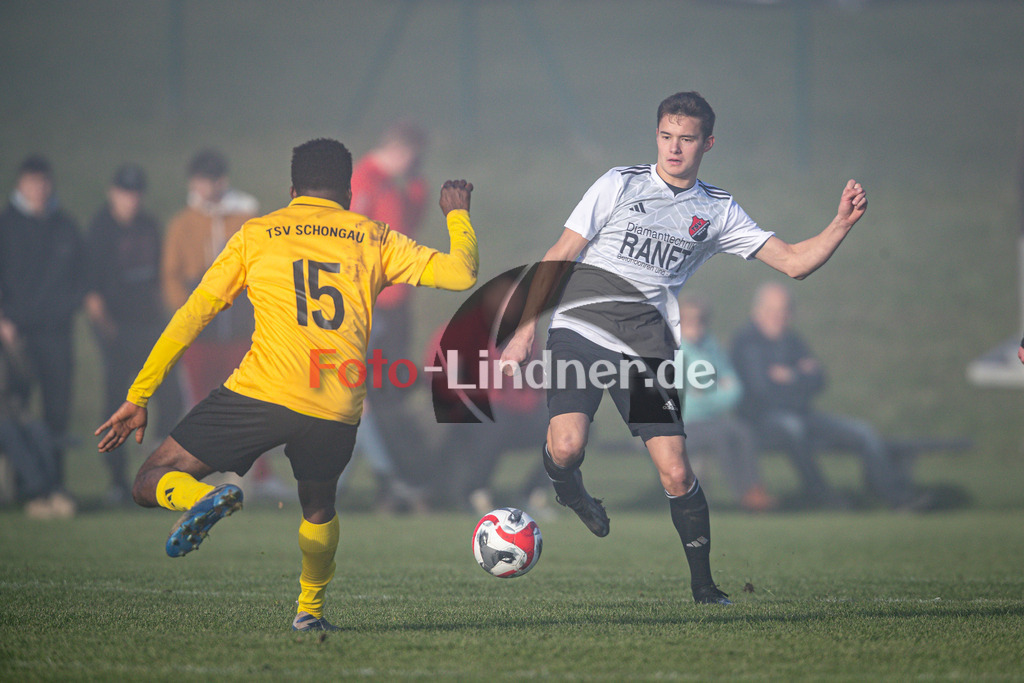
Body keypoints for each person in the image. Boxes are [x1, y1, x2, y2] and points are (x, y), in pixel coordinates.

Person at [500, 91, 868, 605]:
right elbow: (559, 254)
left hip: (647, 346)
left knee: (676, 471)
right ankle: (570, 489)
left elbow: (794, 263)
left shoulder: (717, 211)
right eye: (667, 136)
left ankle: (705, 587)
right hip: (579, 330)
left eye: (687, 139)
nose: (674, 148)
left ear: (707, 143)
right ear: (657, 136)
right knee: (566, 447)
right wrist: (522, 331)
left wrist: (841, 224)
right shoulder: (619, 183)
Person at [96, 138, 478, 632]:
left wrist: (139, 395)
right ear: (346, 193)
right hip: (335, 403)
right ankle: (310, 613)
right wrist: (457, 215)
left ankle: (198, 498)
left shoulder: (258, 234)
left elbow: (192, 315)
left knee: (149, 478)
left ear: (293, 188)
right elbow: (461, 273)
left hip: (262, 394)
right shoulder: (374, 236)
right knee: (318, 506)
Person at [731, 282, 923, 509]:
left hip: (803, 414)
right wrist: (800, 378)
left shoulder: (792, 340)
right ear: (758, 311)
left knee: (863, 431)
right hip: (761, 421)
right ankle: (821, 495)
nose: (779, 317)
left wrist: (790, 377)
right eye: (773, 310)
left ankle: (893, 495)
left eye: (785, 311)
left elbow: (819, 379)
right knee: (792, 427)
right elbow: (760, 392)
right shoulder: (746, 343)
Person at [161, 148, 286, 499]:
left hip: (239, 329)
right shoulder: (181, 224)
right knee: (198, 405)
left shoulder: (245, 216)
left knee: (253, 403)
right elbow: (171, 277)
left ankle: (259, 475)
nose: (208, 187)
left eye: (214, 179)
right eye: (202, 180)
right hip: (201, 333)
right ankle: (195, 474)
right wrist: (187, 314)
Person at [84, 163, 183, 505]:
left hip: (150, 327)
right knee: (118, 401)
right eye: (126, 193)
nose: (131, 200)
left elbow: (158, 279)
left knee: (170, 395)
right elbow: (92, 290)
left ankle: (158, 464)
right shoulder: (99, 230)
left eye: (136, 193)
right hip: (116, 328)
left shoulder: (149, 226)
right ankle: (115, 479)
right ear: (113, 193)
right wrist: (108, 331)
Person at [349, 121, 431, 508]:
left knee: (387, 395)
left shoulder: (403, 185)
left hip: (398, 304)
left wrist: (415, 187)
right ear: (397, 150)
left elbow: (410, 227)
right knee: (366, 395)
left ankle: (394, 477)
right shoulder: (365, 181)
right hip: (372, 303)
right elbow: (352, 240)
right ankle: (385, 480)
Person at [425, 274, 551, 514]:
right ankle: (476, 492)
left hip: (516, 415)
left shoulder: (525, 337)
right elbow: (437, 376)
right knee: (494, 418)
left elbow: (536, 385)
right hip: (469, 415)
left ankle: (533, 493)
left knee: (567, 423)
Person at [0, 155, 84, 491]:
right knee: (14, 410)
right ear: (21, 184)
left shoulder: (65, 225)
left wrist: (69, 306)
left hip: (57, 333)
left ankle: (54, 483)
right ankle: (19, 484)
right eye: (33, 182)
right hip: (14, 333)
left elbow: (82, 275)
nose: (39, 188)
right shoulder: (6, 225)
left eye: (44, 181)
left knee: (57, 410)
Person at [677, 294, 777, 512]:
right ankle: (745, 495)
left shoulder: (711, 346)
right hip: (682, 426)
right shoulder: (674, 349)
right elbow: (687, 404)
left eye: (701, 319)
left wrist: (706, 393)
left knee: (743, 431)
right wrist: (716, 390)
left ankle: (755, 489)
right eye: (690, 319)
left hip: (711, 421)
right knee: (721, 437)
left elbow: (735, 391)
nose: (697, 325)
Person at [0, 316, 71, 518]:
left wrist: (13, 345)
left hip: (14, 408)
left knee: (38, 429)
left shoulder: (7, 344)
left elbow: (27, 377)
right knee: (9, 432)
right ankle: (37, 494)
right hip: (3, 416)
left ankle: (54, 490)